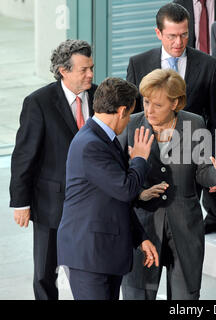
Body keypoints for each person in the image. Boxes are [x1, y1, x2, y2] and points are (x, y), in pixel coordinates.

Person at [119, 69, 216, 300]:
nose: (149, 110)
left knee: (186, 299)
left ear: (175, 103)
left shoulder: (195, 123)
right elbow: (116, 178)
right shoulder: (129, 125)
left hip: (185, 228)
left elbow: (203, 172)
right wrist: (139, 193)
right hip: (142, 229)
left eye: (157, 105)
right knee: (138, 295)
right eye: (146, 101)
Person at [127, 3, 216, 233]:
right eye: (172, 36)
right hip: (149, 159)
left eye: (184, 35)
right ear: (158, 33)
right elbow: (132, 117)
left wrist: (212, 162)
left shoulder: (208, 65)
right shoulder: (138, 63)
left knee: (184, 227)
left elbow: (215, 117)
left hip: (189, 162)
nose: (178, 43)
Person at [56, 77, 159, 300]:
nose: (130, 119)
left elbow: (115, 199)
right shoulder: (91, 144)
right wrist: (140, 159)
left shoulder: (104, 139)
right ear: (122, 111)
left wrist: (140, 237)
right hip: (90, 255)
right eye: (130, 113)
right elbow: (126, 190)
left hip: (104, 253)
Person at [9, 40, 97, 300]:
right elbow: (24, 156)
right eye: (84, 70)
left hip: (95, 201)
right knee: (45, 274)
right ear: (63, 71)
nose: (91, 74)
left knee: (93, 269)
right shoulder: (39, 102)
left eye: (91, 67)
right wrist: (21, 202)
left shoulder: (101, 95)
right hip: (52, 205)